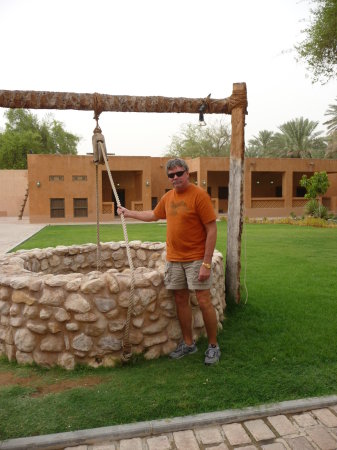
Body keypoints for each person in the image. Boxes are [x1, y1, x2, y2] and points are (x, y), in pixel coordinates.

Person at [117, 158, 220, 365]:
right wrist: (129, 213)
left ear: (187, 174)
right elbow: (153, 215)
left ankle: (213, 346)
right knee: (181, 300)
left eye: (179, 173)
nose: (175, 178)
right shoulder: (168, 197)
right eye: (171, 175)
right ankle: (188, 344)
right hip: (174, 259)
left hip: (196, 258)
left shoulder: (199, 196)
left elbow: (212, 229)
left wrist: (206, 263)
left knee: (203, 301)